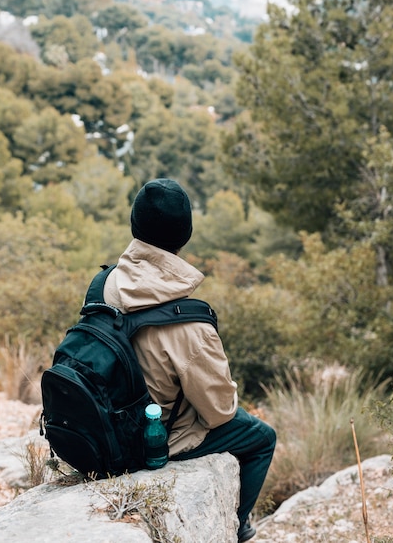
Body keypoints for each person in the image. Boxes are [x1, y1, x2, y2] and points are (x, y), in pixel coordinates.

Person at [103, 178, 276, 543]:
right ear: (185, 235)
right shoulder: (191, 324)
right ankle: (236, 526)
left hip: (103, 425)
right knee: (262, 438)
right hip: (151, 442)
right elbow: (219, 412)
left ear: (135, 225)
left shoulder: (104, 285)